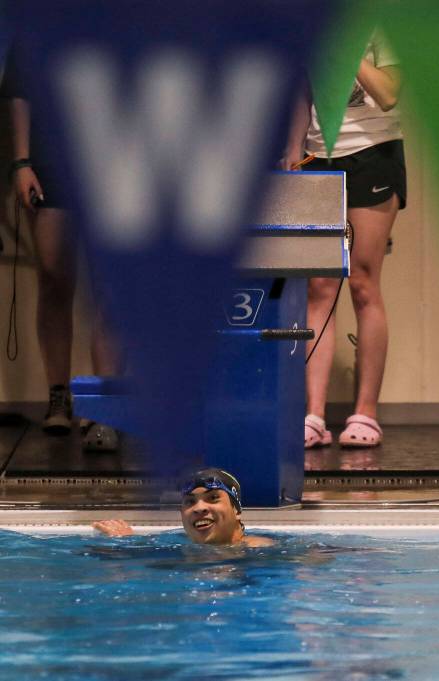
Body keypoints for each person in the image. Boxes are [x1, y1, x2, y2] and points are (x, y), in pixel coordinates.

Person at [282, 31, 404, 450]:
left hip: (373, 153)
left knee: (364, 282)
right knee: (319, 286)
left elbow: (389, 94)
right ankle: (313, 415)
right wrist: (293, 148)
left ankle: (365, 412)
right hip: (321, 157)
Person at [1, 40, 122, 450]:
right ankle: (59, 396)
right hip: (50, 163)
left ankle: (104, 404)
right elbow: (20, 93)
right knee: (54, 277)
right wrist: (21, 162)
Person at [93, 468, 273, 547]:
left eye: (212, 498)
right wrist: (128, 542)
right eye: (190, 501)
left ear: (236, 510)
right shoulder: (177, 545)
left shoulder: (259, 550)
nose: (199, 508)